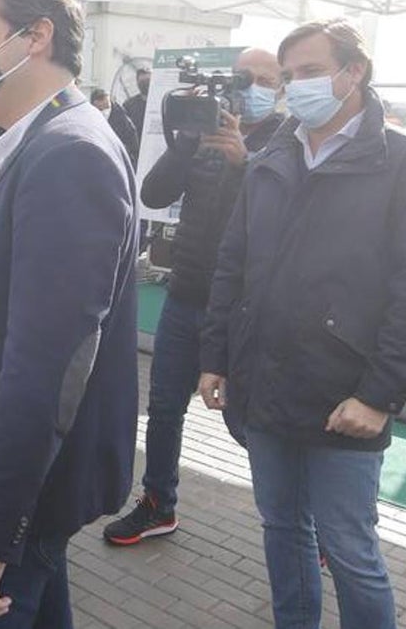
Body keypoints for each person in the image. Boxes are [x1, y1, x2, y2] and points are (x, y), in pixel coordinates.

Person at [199, 19, 406, 629]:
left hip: (344, 398)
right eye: (290, 76)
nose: (297, 86)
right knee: (283, 531)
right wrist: (215, 354)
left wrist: (378, 395)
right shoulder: (273, 156)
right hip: (265, 386)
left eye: (311, 72)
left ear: (354, 73)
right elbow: (233, 263)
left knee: (350, 549)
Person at [0, 0, 139, 628]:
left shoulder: (68, 154)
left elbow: (46, 367)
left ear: (35, 37)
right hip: (6, 488)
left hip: (3, 505)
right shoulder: (39, 145)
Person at [102, 48, 285, 547]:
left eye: (264, 80)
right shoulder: (201, 134)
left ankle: (302, 521)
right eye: (244, 79)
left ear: (282, 89)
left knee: (249, 422)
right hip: (185, 295)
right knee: (163, 407)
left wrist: (245, 163)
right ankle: (158, 503)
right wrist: (186, 145)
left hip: (246, 311)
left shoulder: (289, 142)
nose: (251, 90)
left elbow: (285, 221)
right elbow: (154, 194)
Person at [90, 88, 139, 166]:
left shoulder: (122, 119)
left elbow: (132, 143)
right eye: (100, 108)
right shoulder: (91, 118)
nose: (104, 112)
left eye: (106, 108)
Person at [122, 66, 152, 140]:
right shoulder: (129, 104)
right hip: (137, 146)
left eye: (148, 80)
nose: (145, 84)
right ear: (137, 82)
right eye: (142, 81)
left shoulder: (161, 102)